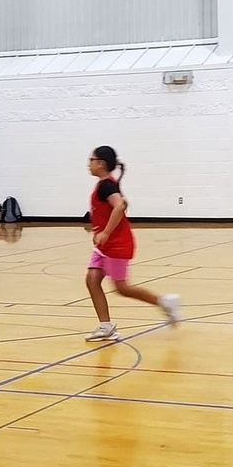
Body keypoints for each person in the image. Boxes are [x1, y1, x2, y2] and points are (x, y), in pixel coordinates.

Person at [83, 146, 181, 341]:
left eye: (91, 160)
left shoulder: (107, 186)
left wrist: (106, 232)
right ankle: (106, 326)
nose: (89, 163)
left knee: (122, 288)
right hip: (104, 246)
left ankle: (164, 302)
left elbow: (120, 205)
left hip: (117, 243)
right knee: (92, 280)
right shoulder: (104, 185)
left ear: (101, 163)